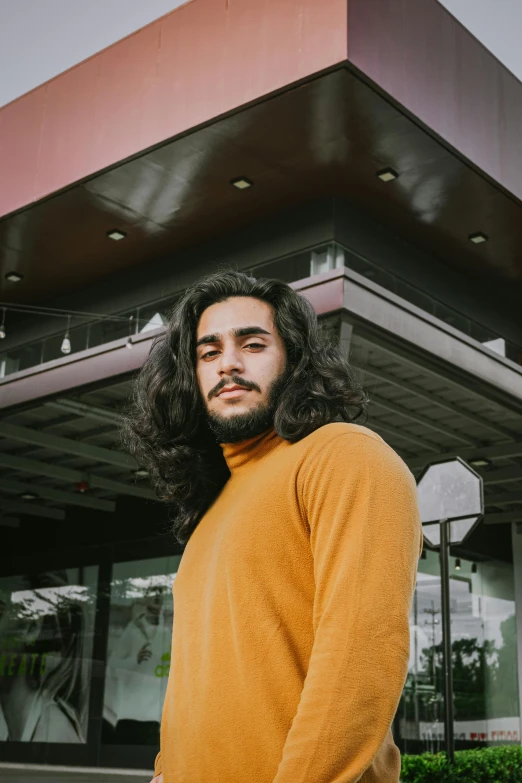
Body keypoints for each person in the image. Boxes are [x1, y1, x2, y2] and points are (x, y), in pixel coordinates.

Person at [122, 269, 423, 783]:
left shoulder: (344, 456)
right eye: (208, 352)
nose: (229, 364)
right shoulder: (212, 509)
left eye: (253, 344)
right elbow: (193, 682)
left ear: (295, 359)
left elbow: (360, 660)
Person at [104, 584, 169, 745]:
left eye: (161, 593)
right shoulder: (132, 631)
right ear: (145, 598)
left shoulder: (166, 635)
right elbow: (112, 667)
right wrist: (135, 660)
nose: (157, 596)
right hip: (129, 718)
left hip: (155, 722)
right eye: (153, 592)